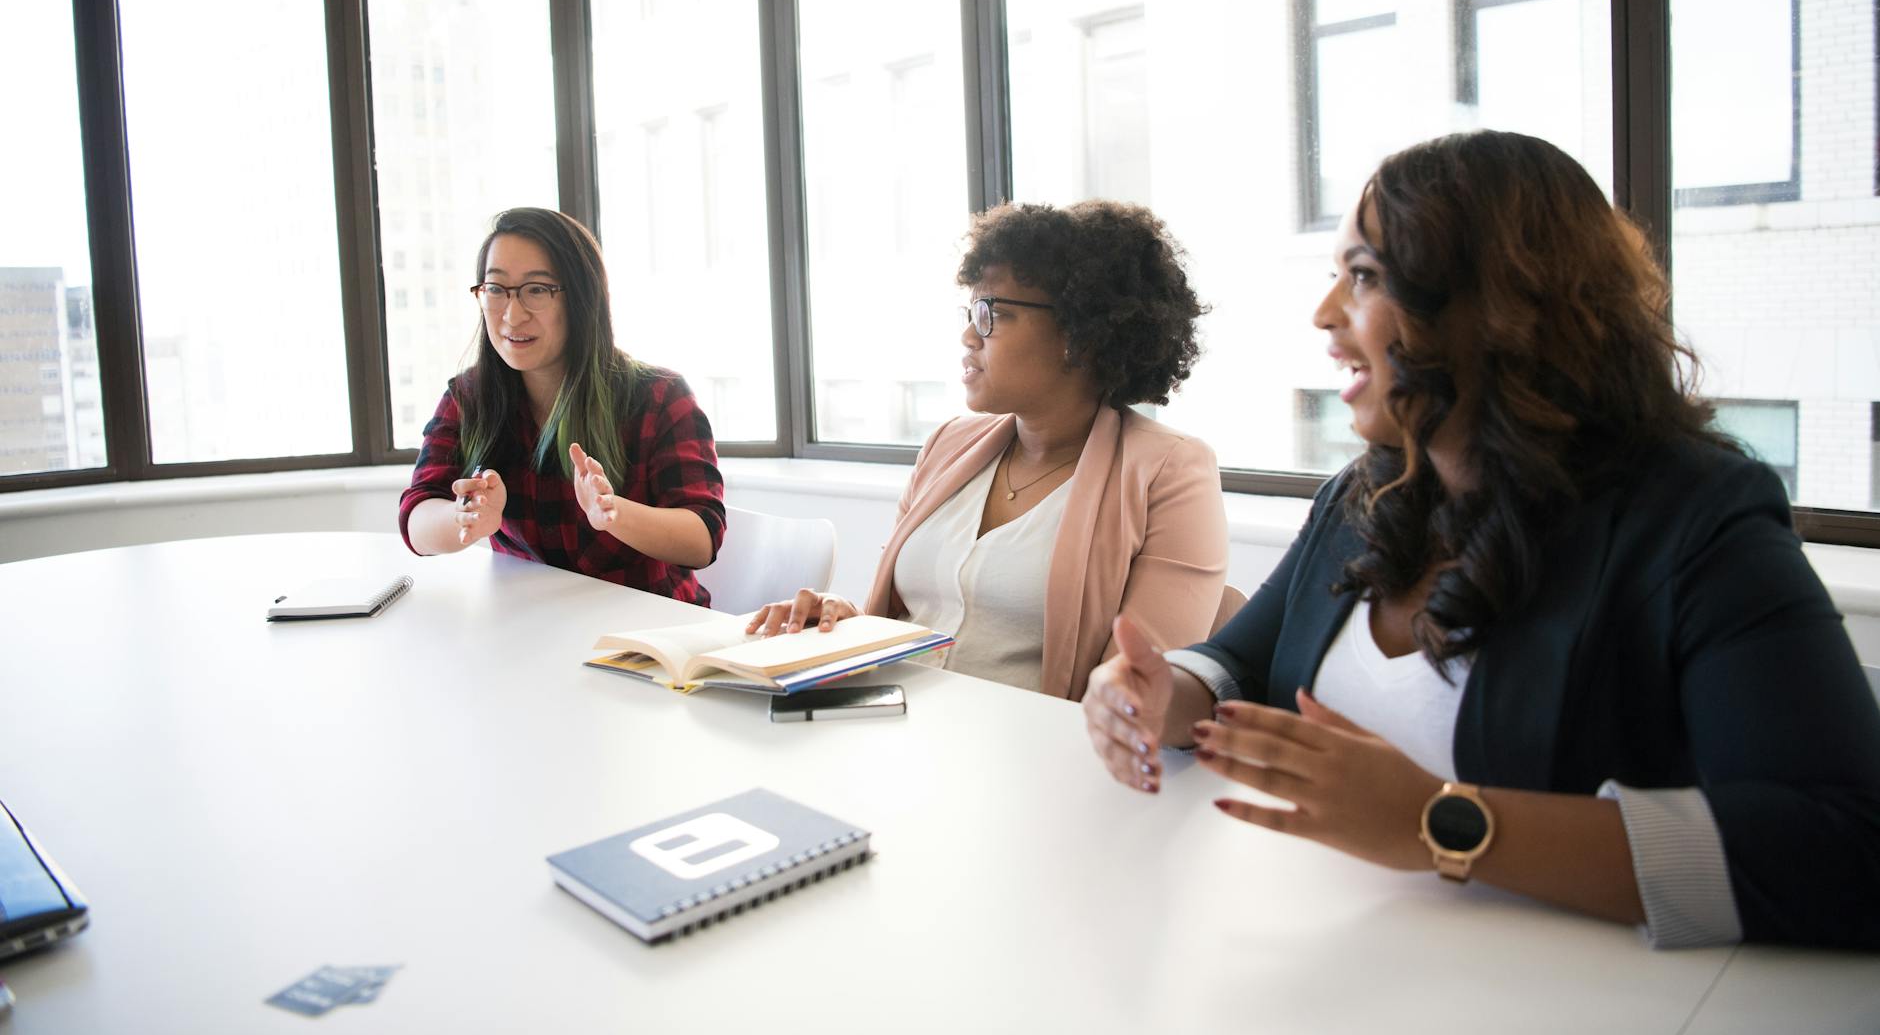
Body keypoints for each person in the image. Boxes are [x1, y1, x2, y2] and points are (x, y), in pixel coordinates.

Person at [1082, 131, 1880, 949]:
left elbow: (1846, 842)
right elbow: (1243, 666)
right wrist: (1158, 695)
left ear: (1499, 305)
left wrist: (1443, 821)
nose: (1325, 314)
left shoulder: (1696, 517)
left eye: (1363, 277)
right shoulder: (1365, 492)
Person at [748, 200, 1228, 701]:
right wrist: (843, 623)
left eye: (991, 313)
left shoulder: (1169, 471)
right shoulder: (946, 446)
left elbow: (1137, 694)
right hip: (885, 728)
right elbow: (909, 619)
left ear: (1081, 336)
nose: (968, 335)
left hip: (1030, 759)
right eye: (970, 311)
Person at [400, 207, 726, 604]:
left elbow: (702, 539)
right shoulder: (469, 398)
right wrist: (464, 517)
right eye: (497, 289)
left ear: (581, 298)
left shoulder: (659, 396)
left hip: (647, 638)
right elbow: (417, 519)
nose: (512, 314)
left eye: (537, 290)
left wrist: (613, 513)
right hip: (532, 629)